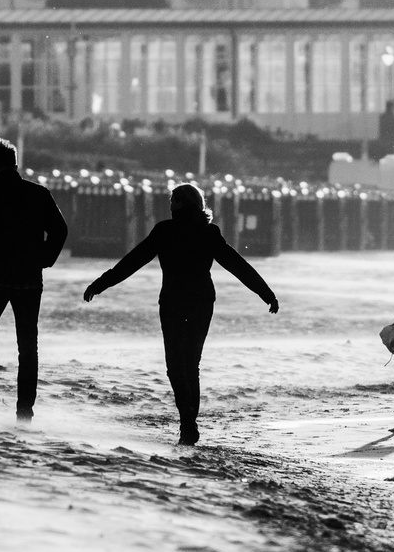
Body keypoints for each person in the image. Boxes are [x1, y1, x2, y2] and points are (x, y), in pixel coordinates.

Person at [83, 182, 278, 445]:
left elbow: (132, 261)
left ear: (181, 203)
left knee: (176, 367)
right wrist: (266, 293)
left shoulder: (166, 230)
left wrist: (100, 284)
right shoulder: (207, 232)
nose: (169, 203)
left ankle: (187, 423)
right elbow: (237, 265)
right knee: (191, 365)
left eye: (173, 199)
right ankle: (188, 424)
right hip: (201, 302)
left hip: (174, 302)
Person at [0, 138, 69, 422]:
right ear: (13, 164)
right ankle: (24, 412)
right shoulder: (38, 194)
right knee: (28, 345)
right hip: (29, 280)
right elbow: (60, 230)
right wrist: (44, 259)